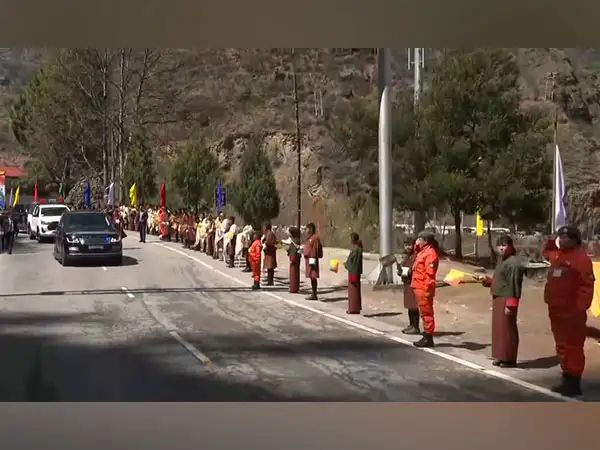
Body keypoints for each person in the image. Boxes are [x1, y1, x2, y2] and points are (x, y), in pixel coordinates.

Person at [542, 225, 594, 397]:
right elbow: (546, 252)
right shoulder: (558, 257)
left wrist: (579, 308)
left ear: (575, 240)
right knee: (562, 346)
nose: (562, 240)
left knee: (573, 347)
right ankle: (566, 378)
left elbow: (586, 286)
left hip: (572, 313)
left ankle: (573, 382)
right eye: (560, 237)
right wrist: (551, 238)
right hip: (556, 310)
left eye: (566, 237)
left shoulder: (581, 259)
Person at [478, 235, 524, 368]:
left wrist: (511, 304)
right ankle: (500, 355)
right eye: (499, 245)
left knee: (507, 329)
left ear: (510, 246)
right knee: (499, 329)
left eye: (504, 245)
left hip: (507, 298)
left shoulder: (513, 262)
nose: (501, 248)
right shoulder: (502, 261)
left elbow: (514, 284)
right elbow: (499, 281)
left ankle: (509, 358)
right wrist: (486, 279)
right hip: (498, 297)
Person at [411, 231, 440, 348]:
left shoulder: (430, 254)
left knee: (427, 313)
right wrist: (416, 245)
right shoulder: (423, 251)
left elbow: (430, 274)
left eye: (420, 239)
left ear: (426, 241)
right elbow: (414, 253)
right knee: (423, 313)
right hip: (419, 286)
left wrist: (427, 290)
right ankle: (426, 335)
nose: (418, 241)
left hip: (424, 288)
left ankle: (428, 336)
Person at [398, 237, 420, 335]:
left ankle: (415, 326)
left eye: (409, 245)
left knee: (414, 306)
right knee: (409, 305)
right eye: (406, 245)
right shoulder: (407, 256)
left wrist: (409, 271)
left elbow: (415, 268)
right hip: (406, 282)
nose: (407, 247)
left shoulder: (416, 256)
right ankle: (411, 325)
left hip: (413, 282)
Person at [344, 232, 363, 314]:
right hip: (355, 271)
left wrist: (347, 265)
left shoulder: (356, 250)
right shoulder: (357, 249)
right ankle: (356, 308)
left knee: (353, 291)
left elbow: (354, 262)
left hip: (353, 272)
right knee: (355, 291)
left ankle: (353, 308)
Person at [303, 223, 323, 301]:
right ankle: (313, 293)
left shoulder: (314, 238)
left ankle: (314, 294)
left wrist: (312, 258)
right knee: (311, 277)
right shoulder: (309, 238)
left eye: (307, 229)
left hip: (312, 259)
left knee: (313, 276)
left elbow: (315, 249)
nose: (306, 230)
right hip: (309, 259)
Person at [286, 227, 302, 293]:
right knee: (294, 273)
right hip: (294, 258)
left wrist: (292, 259)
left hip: (294, 259)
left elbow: (294, 250)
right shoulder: (294, 240)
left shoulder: (295, 241)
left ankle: (293, 288)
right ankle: (294, 287)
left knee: (294, 274)